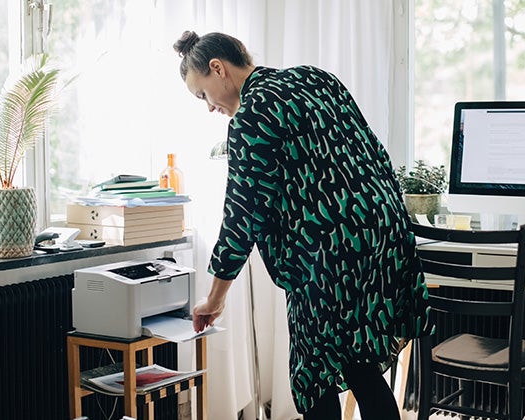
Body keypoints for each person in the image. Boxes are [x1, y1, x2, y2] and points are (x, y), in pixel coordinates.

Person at [173, 30, 432, 419]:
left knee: (313, 376)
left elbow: (243, 213)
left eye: (203, 94)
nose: (209, 106)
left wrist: (216, 296)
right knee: (357, 360)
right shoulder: (314, 77)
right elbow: (373, 151)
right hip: (382, 234)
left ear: (218, 69)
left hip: (329, 253)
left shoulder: (253, 114)